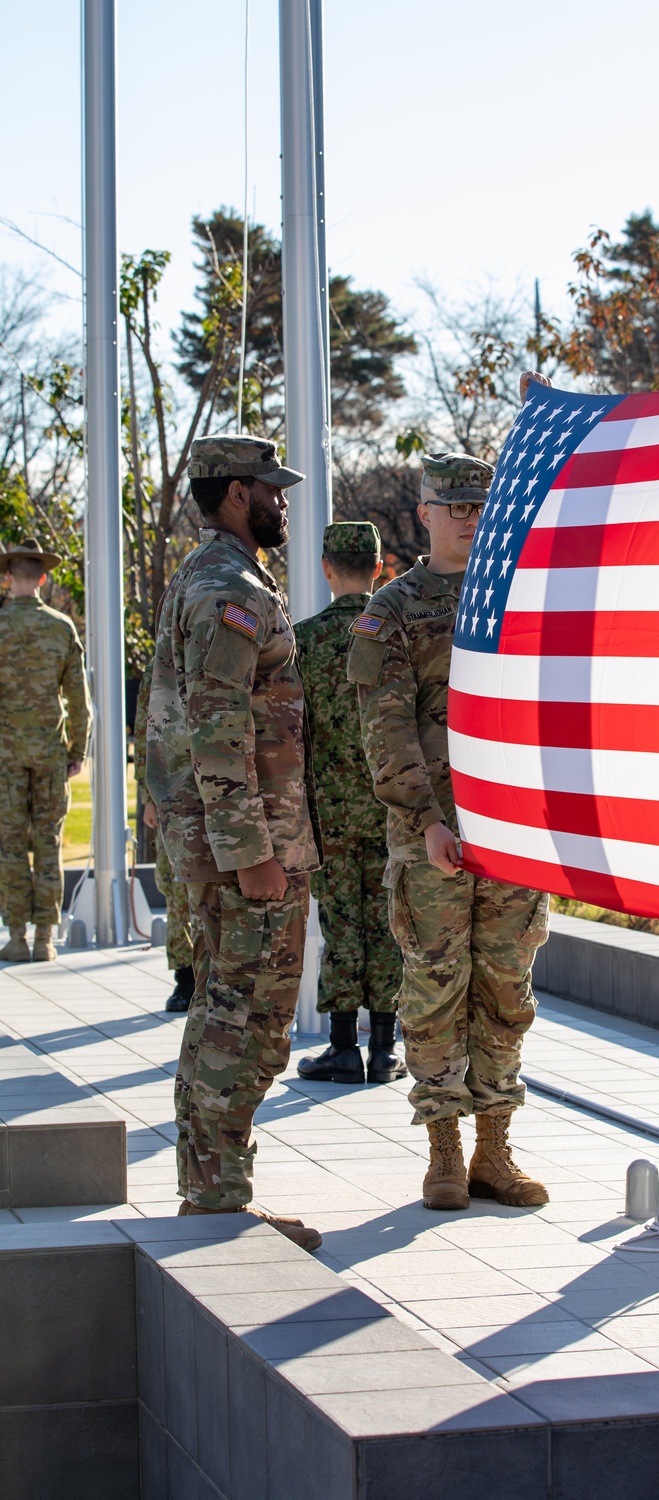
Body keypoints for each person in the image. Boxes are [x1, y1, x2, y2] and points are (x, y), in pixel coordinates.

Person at [347, 450, 550, 1212]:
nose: (468, 518)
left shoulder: (520, 599)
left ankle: (494, 1149)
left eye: (478, 506)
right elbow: (385, 729)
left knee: (506, 987)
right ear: (425, 510)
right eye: (453, 506)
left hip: (514, 834)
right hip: (431, 834)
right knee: (435, 988)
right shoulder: (392, 609)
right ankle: (443, 1149)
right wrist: (425, 820)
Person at [145, 436, 323, 1252]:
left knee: (235, 1010)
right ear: (232, 495)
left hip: (239, 839)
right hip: (247, 847)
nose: (281, 499)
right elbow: (218, 730)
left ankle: (213, 1188)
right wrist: (252, 851)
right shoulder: (226, 588)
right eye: (268, 487)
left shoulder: (217, 575)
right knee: (240, 1015)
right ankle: (216, 1197)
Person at [295, 521, 405, 1085]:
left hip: (330, 813)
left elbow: (292, 732)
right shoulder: (394, 630)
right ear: (380, 566)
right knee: (387, 921)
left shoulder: (304, 639)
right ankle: (385, 1047)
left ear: (326, 567)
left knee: (340, 923)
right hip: (392, 808)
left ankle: (342, 1046)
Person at [0, 538, 91, 963]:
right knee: (49, 842)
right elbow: (78, 698)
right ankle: (44, 939)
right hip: (51, 752)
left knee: (11, 844)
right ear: (42, 579)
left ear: (6, 579)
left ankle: (16, 936)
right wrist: (77, 749)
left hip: (5, 755)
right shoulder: (61, 627)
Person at [134, 656, 195, 1012]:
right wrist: (149, 797)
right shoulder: (159, 668)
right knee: (175, 889)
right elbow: (147, 732)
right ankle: (184, 978)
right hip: (171, 791)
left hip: (217, 792)